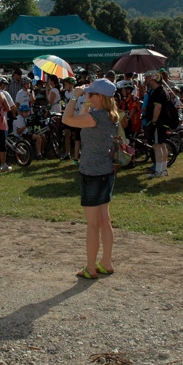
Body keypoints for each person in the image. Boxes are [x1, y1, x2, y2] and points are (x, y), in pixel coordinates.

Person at [61, 78, 118, 280]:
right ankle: (106, 262)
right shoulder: (110, 115)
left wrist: (74, 97)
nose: (88, 95)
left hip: (92, 173)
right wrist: (85, 100)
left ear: (100, 97)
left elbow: (67, 119)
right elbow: (83, 117)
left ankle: (90, 267)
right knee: (105, 220)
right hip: (106, 171)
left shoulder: (95, 118)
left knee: (93, 224)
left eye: (91, 94)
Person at [143, 71, 171, 178]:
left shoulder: (157, 92)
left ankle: (159, 170)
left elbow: (158, 107)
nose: (149, 82)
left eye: (151, 80)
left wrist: (154, 121)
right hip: (164, 122)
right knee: (162, 145)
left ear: (154, 81)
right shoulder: (164, 90)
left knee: (157, 146)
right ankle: (163, 169)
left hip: (158, 123)